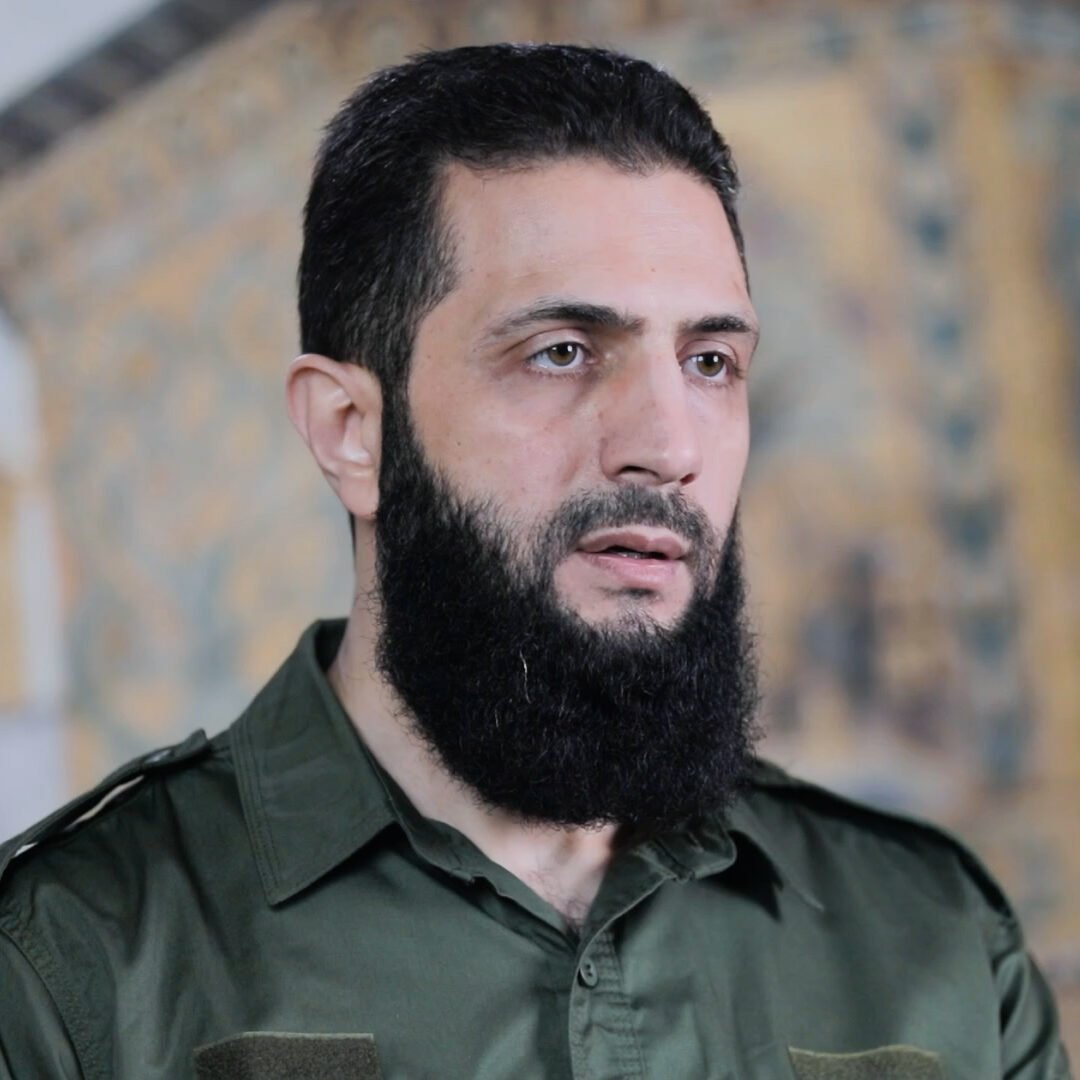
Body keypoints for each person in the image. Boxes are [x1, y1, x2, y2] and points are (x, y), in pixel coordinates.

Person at [0, 42, 1070, 1080]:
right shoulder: (66, 962)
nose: (668, 445)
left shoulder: (940, 945)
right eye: (561, 352)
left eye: (710, 362)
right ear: (350, 431)